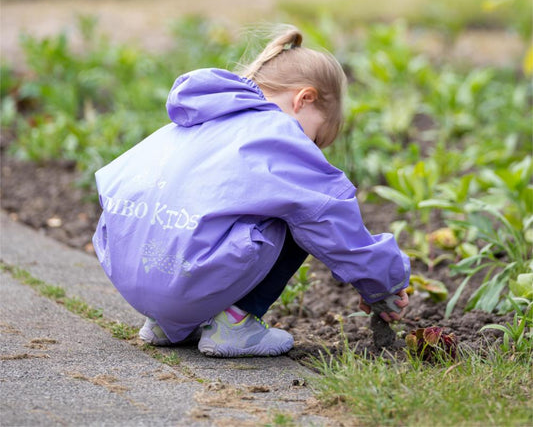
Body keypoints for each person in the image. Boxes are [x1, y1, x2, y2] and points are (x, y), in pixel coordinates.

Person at [92, 27, 410, 357]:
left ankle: (167, 324)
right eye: (315, 139)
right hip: (186, 281)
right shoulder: (280, 132)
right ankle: (234, 325)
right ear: (304, 99)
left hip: (130, 272)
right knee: (301, 209)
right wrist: (382, 284)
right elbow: (333, 220)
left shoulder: (201, 118)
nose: (311, 149)